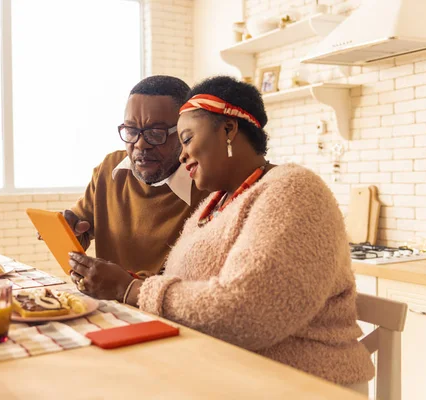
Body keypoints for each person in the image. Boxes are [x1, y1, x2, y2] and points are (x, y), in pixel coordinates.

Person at [68, 75, 375, 386]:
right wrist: (127, 283)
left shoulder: (293, 190)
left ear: (228, 129)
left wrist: (129, 290)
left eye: (186, 139)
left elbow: (248, 314)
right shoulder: (216, 203)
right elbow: (190, 289)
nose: (182, 155)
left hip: (301, 383)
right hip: (228, 371)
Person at [60, 75, 210, 278]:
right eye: (131, 131)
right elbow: (82, 229)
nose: (140, 144)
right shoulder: (110, 169)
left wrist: (123, 286)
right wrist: (71, 234)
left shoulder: (208, 183)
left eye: (156, 133)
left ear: (185, 132)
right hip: (108, 306)